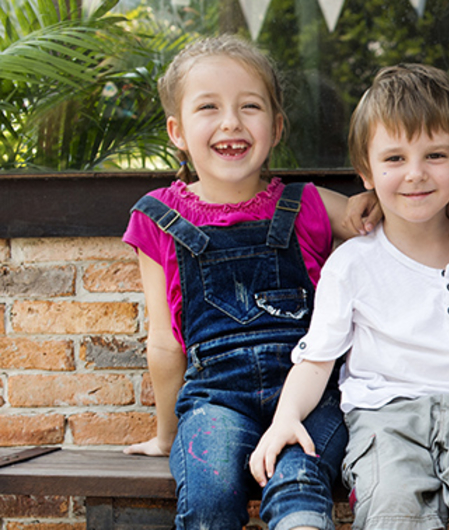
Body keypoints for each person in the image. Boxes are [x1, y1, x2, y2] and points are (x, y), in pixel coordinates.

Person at [248, 64, 449, 530]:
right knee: (392, 507)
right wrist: (285, 419)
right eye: (395, 159)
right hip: (385, 415)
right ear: (366, 172)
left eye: (436, 156)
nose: (416, 174)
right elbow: (318, 360)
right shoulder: (354, 264)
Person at [122, 35, 358, 530]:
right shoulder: (158, 218)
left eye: (249, 106)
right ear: (177, 131)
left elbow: (394, 215)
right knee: (209, 492)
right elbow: (165, 343)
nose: (231, 121)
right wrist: (168, 434)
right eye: (208, 107)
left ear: (275, 128)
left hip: (309, 398)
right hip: (215, 402)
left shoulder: (310, 205)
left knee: (300, 482)